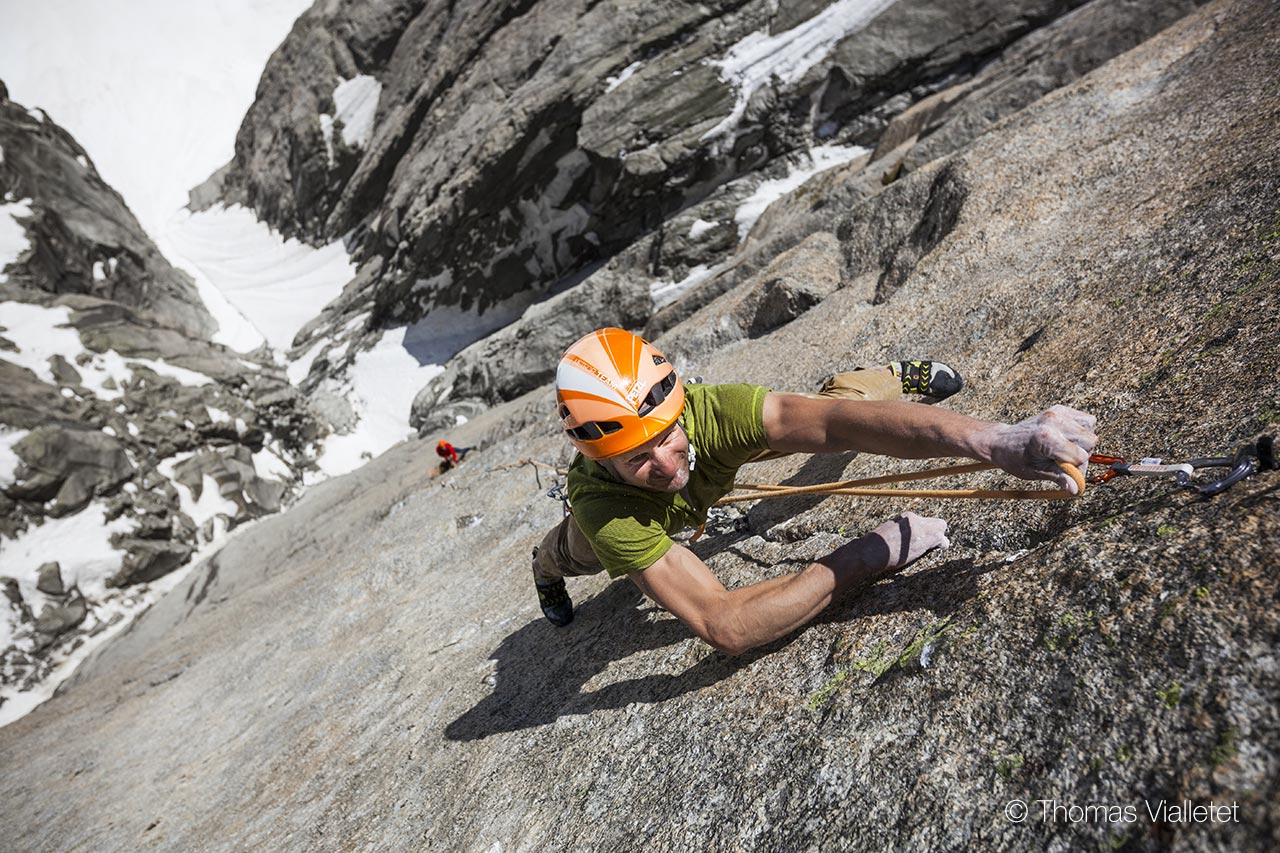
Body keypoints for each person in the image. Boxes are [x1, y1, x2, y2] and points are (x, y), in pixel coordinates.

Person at [532, 328, 1096, 654]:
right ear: (602, 457)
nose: (663, 464)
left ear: (681, 407)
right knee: (566, 553)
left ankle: (888, 376)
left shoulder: (710, 413)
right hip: (615, 519)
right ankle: (542, 572)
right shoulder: (607, 512)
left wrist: (992, 440)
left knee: (838, 408)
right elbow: (722, 623)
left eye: (665, 436)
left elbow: (836, 424)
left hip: (718, 453)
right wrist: (863, 557)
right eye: (636, 457)